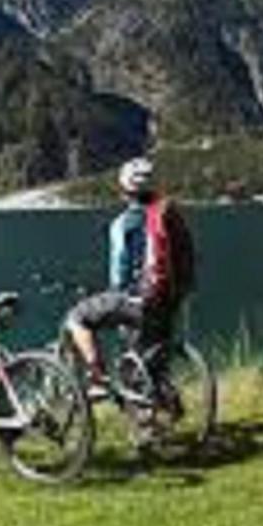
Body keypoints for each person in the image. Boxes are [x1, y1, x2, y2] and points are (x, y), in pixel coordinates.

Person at [62, 156, 194, 402]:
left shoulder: (122, 224)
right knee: (148, 356)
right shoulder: (167, 214)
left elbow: (119, 273)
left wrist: (114, 292)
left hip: (137, 300)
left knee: (77, 317)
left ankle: (97, 378)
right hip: (168, 300)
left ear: (124, 190)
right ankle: (153, 417)